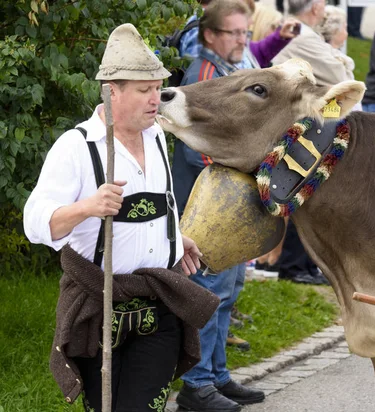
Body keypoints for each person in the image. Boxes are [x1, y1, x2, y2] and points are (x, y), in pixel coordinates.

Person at [23, 23, 219, 411]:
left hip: (159, 301)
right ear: (113, 92)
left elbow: (163, 202)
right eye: (144, 91)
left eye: (157, 89)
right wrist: (87, 208)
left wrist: (175, 240)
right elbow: (35, 224)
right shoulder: (77, 147)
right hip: (100, 307)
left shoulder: (156, 136)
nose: (155, 99)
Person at [172, 1, 266, 411]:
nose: (242, 41)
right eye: (234, 33)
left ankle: (218, 374)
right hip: (207, 208)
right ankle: (196, 386)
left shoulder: (227, 71)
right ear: (210, 35)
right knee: (207, 292)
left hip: (229, 206)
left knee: (227, 290)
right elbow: (198, 147)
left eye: (246, 33)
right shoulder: (204, 76)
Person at [271, 0, 350, 87]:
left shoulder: (289, 27)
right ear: (315, 8)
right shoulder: (302, 35)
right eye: (325, 3)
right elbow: (340, 78)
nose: (325, 11)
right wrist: (344, 61)